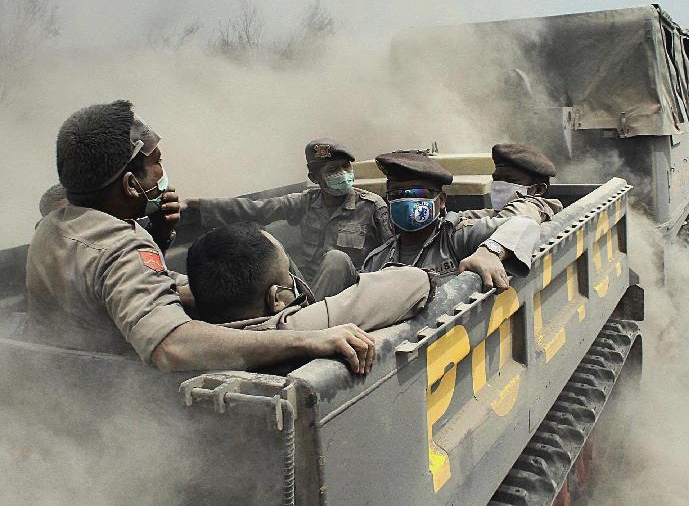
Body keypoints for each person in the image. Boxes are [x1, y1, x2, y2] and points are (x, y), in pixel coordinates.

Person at [26, 100, 375, 374]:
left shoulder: (53, 226)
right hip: (117, 398)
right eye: (157, 162)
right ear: (131, 185)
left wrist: (161, 235)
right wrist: (306, 340)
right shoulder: (124, 247)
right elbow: (170, 345)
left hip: (65, 382)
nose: (163, 173)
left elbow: (115, 283)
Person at [183, 138, 392, 300]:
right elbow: (257, 209)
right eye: (333, 170)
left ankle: (305, 321)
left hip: (349, 291)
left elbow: (391, 255)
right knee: (270, 249)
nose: (343, 174)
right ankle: (305, 314)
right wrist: (201, 206)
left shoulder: (372, 206)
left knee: (336, 259)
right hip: (307, 287)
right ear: (314, 178)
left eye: (346, 167)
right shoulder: (306, 202)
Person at [186, 224, 431, 348]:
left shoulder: (189, 340)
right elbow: (414, 281)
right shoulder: (294, 330)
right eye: (288, 275)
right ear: (276, 300)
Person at [362, 151, 541, 289]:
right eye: (397, 194)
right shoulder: (377, 260)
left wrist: (490, 252)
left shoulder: (457, 238)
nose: (407, 201)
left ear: (441, 201)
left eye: (419, 194)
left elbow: (524, 224)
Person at [457, 143, 563, 223]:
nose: (499, 186)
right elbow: (486, 215)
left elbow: (500, 224)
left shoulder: (530, 208)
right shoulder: (502, 211)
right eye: (497, 179)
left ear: (538, 190)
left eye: (510, 180)